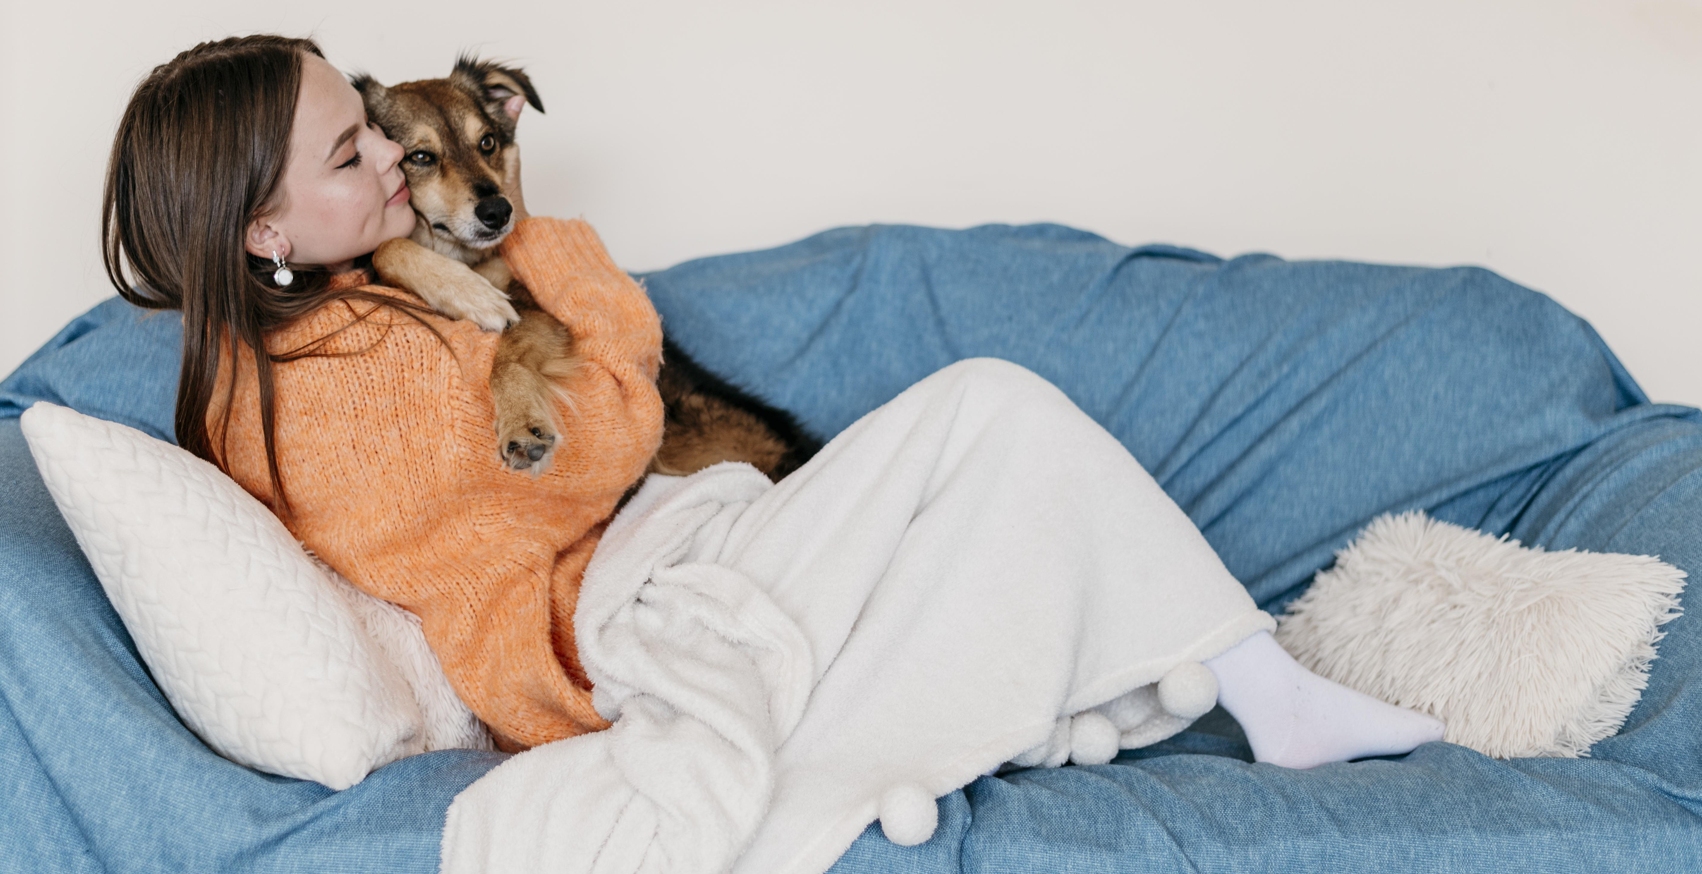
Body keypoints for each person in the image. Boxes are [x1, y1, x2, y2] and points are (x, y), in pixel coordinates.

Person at [103, 34, 1444, 769]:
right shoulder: (330, 379)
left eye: (378, 135)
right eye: (355, 152)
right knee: (987, 413)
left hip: (641, 576)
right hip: (608, 632)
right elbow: (601, 446)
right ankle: (1259, 688)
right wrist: (561, 273)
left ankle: (1213, 681)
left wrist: (493, 283)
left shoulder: (347, 318)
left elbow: (580, 403)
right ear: (260, 228)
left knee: (979, 456)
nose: (399, 166)